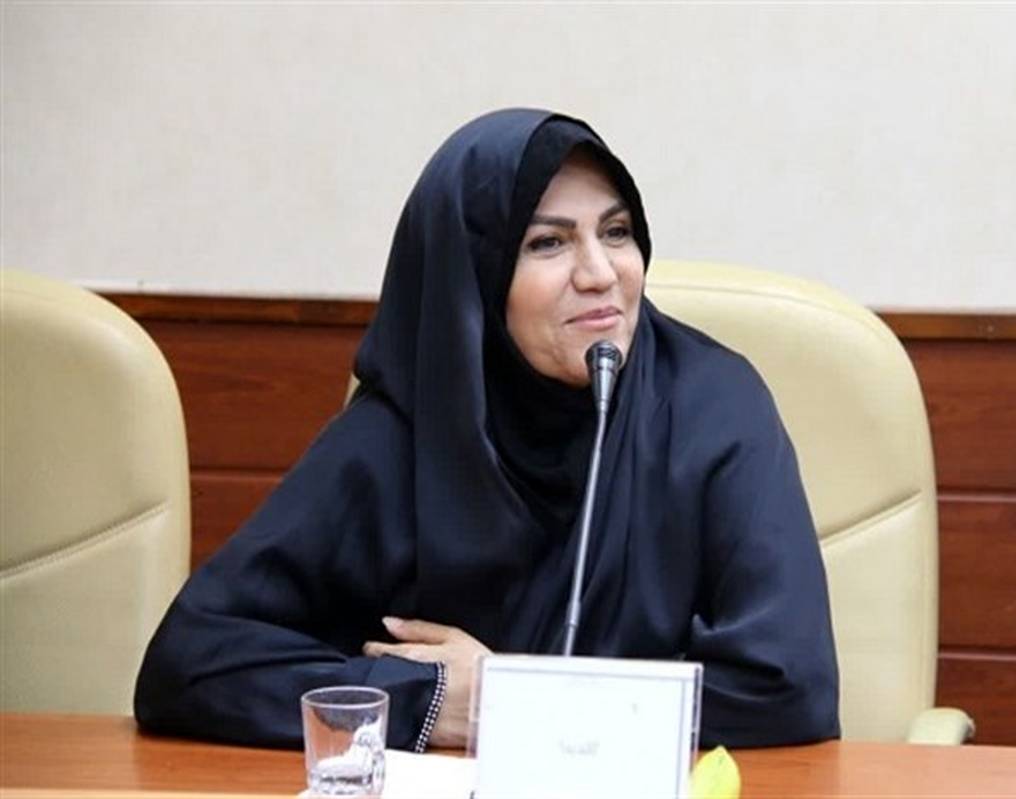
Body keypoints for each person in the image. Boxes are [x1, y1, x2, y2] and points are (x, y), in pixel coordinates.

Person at [134, 109, 840, 752]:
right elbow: (189, 664)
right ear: (473, 279)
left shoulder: (715, 407)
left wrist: (514, 699)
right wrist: (430, 702)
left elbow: (787, 688)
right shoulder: (401, 433)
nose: (601, 273)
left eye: (617, 232)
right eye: (548, 243)